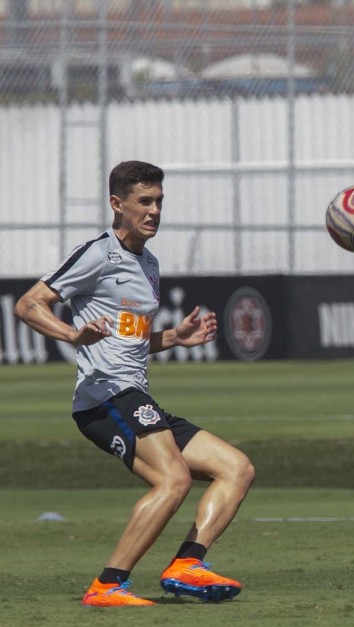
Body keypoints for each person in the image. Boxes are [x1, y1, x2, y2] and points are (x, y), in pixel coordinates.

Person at [15, 161, 256, 607]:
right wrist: (72, 335)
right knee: (173, 481)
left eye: (159, 201)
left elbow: (133, 340)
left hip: (134, 394)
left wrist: (174, 338)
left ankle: (187, 565)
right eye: (144, 201)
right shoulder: (97, 254)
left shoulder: (148, 263)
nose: (155, 210)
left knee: (236, 468)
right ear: (116, 204)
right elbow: (29, 305)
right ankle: (108, 584)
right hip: (104, 397)